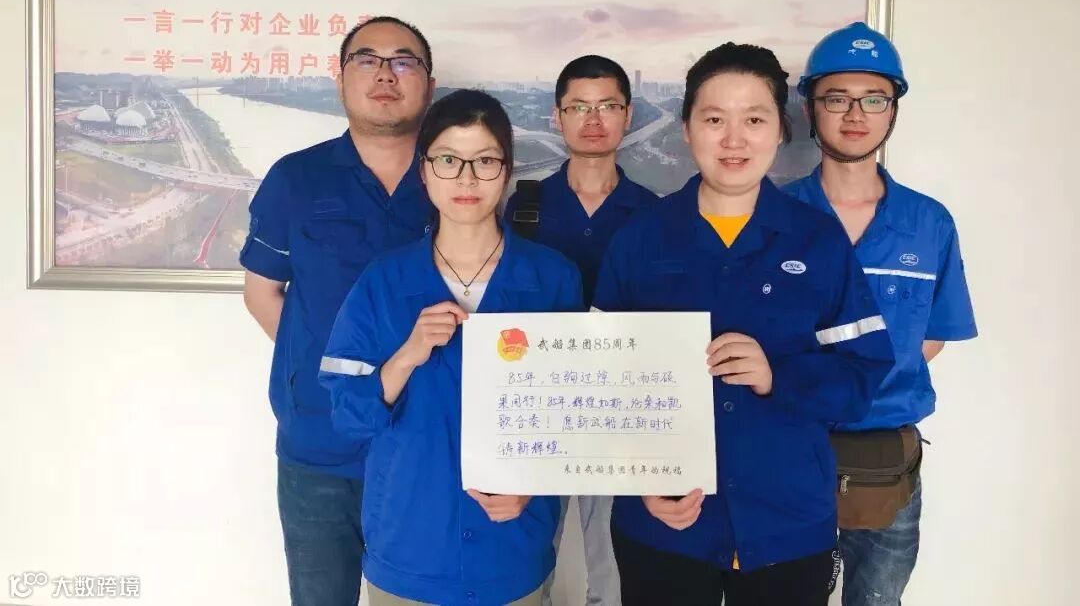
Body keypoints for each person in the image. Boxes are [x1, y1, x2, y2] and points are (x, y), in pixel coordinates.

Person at [592, 42, 895, 606]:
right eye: (714, 120)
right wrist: (637, 480)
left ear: (780, 130)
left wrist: (778, 375)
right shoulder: (639, 240)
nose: (734, 139)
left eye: (754, 119)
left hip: (788, 525)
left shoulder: (819, 242)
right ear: (687, 129)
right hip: (664, 528)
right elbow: (599, 383)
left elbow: (861, 377)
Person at [319, 89, 584, 606]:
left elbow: (575, 414)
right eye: (448, 160)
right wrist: (407, 355)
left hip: (510, 551)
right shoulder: (383, 281)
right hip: (408, 552)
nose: (466, 179)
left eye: (484, 161)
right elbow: (347, 417)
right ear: (424, 170)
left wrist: (533, 483)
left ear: (507, 170)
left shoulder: (552, 278)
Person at [240, 16, 435, 606]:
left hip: (427, 443)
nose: (385, 74)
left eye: (404, 61)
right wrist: (325, 367)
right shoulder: (296, 178)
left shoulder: (456, 176)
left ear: (428, 83)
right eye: (367, 60)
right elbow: (262, 293)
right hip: (319, 442)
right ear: (341, 78)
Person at [783, 22, 978, 606]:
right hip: (787, 449)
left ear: (893, 110)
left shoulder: (928, 223)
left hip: (887, 460)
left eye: (873, 99)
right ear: (810, 108)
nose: (855, 114)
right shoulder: (775, 215)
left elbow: (935, 334)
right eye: (836, 98)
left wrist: (863, 381)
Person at [506, 55, 656, 606]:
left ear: (628, 115)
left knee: (614, 565)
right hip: (537, 408)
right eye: (578, 107)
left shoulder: (654, 215)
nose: (593, 119)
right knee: (524, 560)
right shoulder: (524, 208)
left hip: (618, 411)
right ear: (557, 116)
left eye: (608, 106)